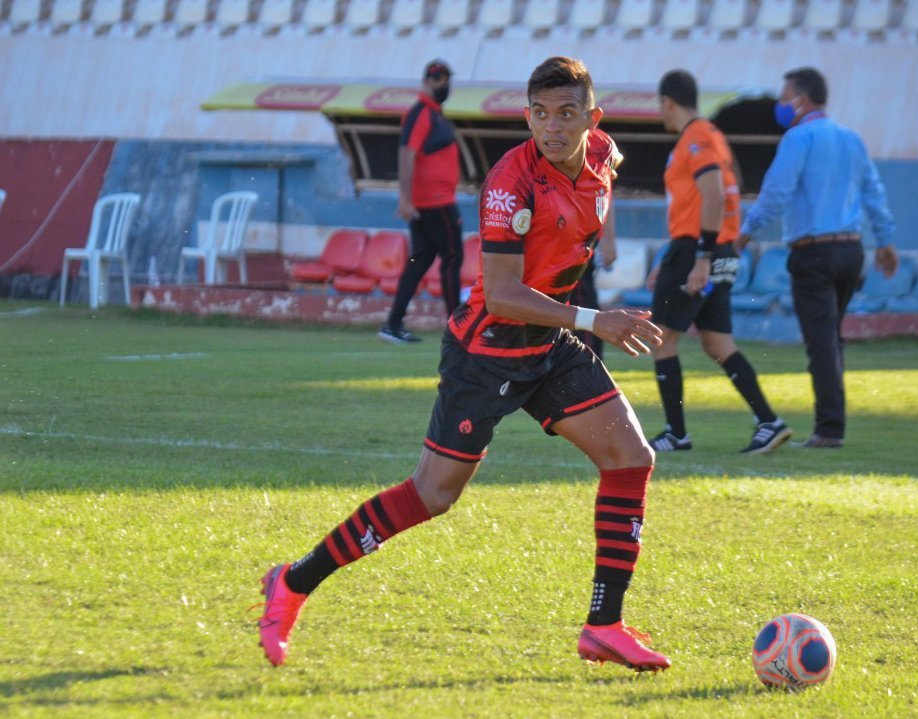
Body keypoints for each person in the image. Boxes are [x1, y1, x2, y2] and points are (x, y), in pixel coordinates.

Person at [256, 56, 672, 673]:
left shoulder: (603, 154)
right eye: (539, 113)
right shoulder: (511, 183)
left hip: (547, 343)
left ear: (592, 117)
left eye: (565, 113)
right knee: (431, 496)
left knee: (631, 457)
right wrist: (594, 320)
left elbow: (604, 171)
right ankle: (292, 583)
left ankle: (603, 626)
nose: (551, 126)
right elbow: (502, 293)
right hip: (488, 350)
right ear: (527, 115)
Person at [737, 67, 898, 449]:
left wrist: (746, 231)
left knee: (821, 341)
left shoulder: (798, 138)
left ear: (801, 99)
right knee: (832, 338)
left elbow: (776, 193)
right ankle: (831, 423)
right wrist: (886, 241)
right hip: (851, 250)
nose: (779, 105)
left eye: (783, 97)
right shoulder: (851, 139)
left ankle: (829, 429)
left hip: (814, 251)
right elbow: (873, 193)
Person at [647, 70, 792, 455]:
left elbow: (712, 197)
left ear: (668, 102)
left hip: (701, 250)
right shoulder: (713, 138)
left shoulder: (695, 139)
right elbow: (707, 202)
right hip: (712, 249)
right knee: (717, 343)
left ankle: (676, 433)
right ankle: (768, 421)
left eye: (661, 105)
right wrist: (673, 256)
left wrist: (699, 257)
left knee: (661, 339)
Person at [379, 59, 464, 345]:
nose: (444, 85)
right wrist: (404, 198)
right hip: (436, 205)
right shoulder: (421, 113)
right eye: (439, 79)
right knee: (452, 258)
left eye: (446, 79)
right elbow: (406, 155)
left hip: (430, 203)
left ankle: (393, 324)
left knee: (420, 261)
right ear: (426, 81)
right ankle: (458, 327)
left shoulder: (434, 114)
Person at [569, 206, 617, 358]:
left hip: (574, 241)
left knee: (581, 304)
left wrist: (608, 239)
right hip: (553, 238)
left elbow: (603, 188)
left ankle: (590, 367)